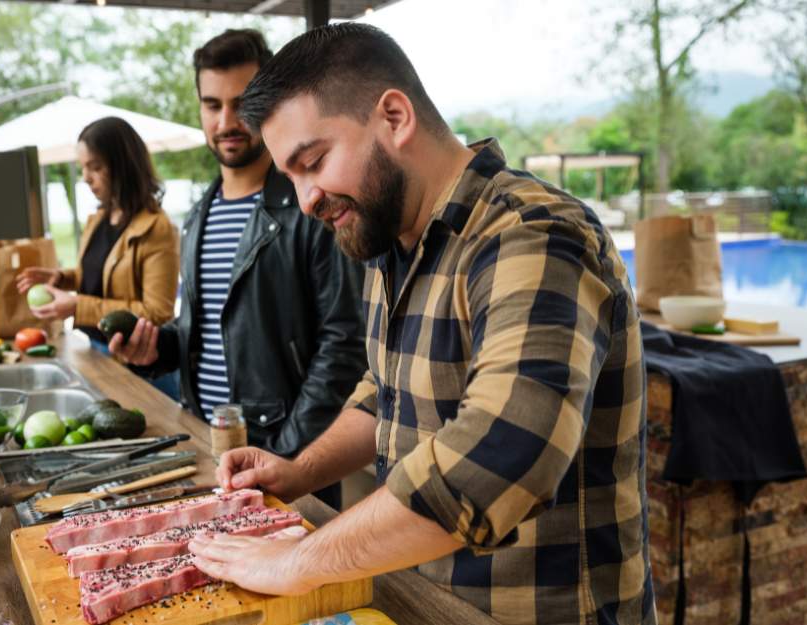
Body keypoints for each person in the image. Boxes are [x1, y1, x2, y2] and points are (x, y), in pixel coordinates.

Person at [185, 24, 655, 625]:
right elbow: (384, 393)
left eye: (314, 162)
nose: (304, 199)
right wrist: (299, 470)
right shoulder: (390, 243)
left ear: (395, 117)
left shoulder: (532, 235)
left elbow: (499, 457)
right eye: (291, 176)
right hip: (425, 605)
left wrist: (294, 560)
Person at [109, 29, 366, 509]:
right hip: (208, 447)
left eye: (242, 101)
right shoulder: (198, 212)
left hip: (288, 457)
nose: (226, 120)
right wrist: (159, 349)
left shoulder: (311, 206)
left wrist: (286, 455)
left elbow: (346, 345)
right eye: (212, 104)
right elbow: (208, 329)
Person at [18, 116, 179, 346]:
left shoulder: (158, 229)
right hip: (94, 346)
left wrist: (77, 306)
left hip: (134, 363)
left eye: (96, 167)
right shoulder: (99, 218)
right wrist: (63, 278)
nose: (85, 178)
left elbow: (157, 313)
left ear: (124, 167)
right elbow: (102, 276)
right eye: (83, 167)